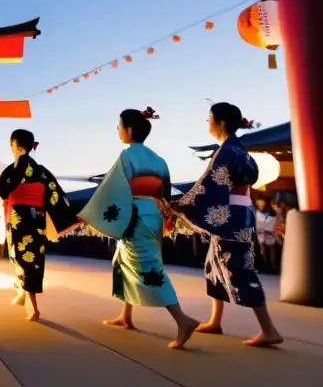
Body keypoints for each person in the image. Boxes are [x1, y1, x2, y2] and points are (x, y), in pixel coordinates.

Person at [80, 107, 199, 349]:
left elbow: (111, 188)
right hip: (152, 213)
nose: (117, 130)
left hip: (134, 214)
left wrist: (90, 212)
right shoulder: (159, 159)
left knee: (149, 267)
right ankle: (126, 315)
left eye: (119, 126)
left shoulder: (127, 156)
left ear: (129, 130)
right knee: (123, 261)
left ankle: (183, 320)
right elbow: (164, 192)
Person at [176, 102, 283, 347]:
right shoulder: (239, 150)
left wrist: (181, 203)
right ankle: (215, 320)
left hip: (229, 215)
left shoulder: (226, 152)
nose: (208, 122)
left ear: (221, 122)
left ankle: (269, 329)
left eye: (209, 118)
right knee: (214, 265)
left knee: (241, 269)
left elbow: (207, 186)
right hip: (239, 212)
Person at [0, 128, 80, 321]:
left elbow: (2, 190)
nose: (11, 148)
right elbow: (55, 195)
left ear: (16, 145)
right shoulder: (42, 172)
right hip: (37, 219)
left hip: (18, 218)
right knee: (33, 259)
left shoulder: (13, 170)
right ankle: (21, 293)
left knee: (22, 258)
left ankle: (33, 307)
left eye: (12, 145)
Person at [254, 197, 279, 274]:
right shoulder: (256, 212)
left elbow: (274, 223)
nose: (260, 204)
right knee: (263, 252)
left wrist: (265, 228)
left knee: (272, 252)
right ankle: (266, 267)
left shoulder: (271, 212)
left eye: (262, 202)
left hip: (271, 235)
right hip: (261, 235)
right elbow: (257, 225)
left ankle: (273, 268)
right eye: (258, 202)